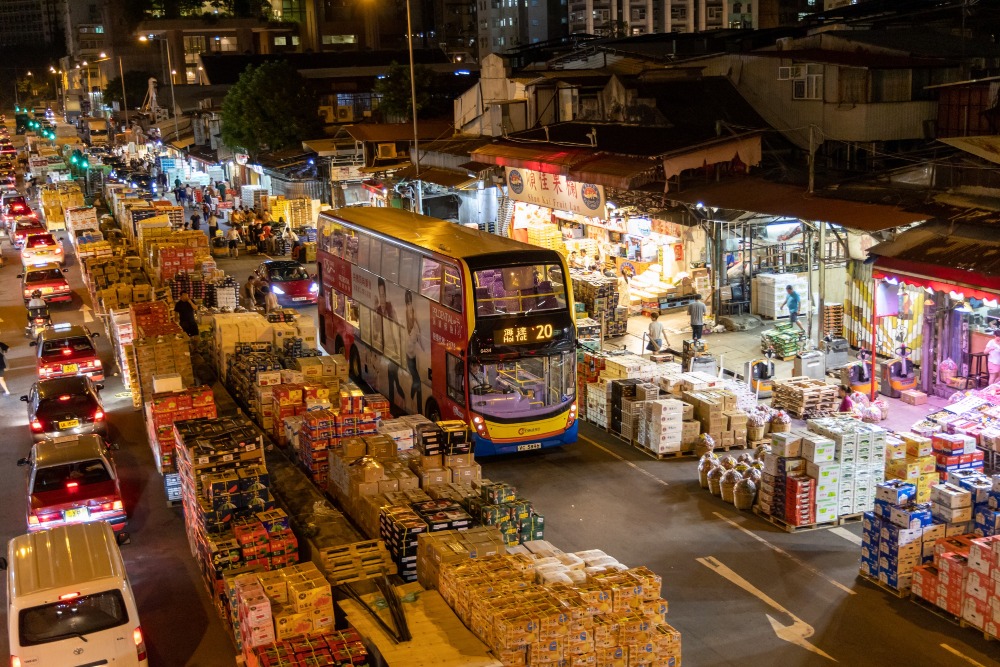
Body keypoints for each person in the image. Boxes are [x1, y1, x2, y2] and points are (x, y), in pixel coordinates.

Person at [404, 290, 425, 412]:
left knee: (418, 382)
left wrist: (423, 350)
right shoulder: (406, 318)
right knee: (416, 381)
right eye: (407, 303)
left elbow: (420, 338)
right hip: (409, 356)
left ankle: (414, 403)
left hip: (413, 355)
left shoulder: (415, 321)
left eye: (410, 302)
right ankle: (411, 401)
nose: (409, 305)